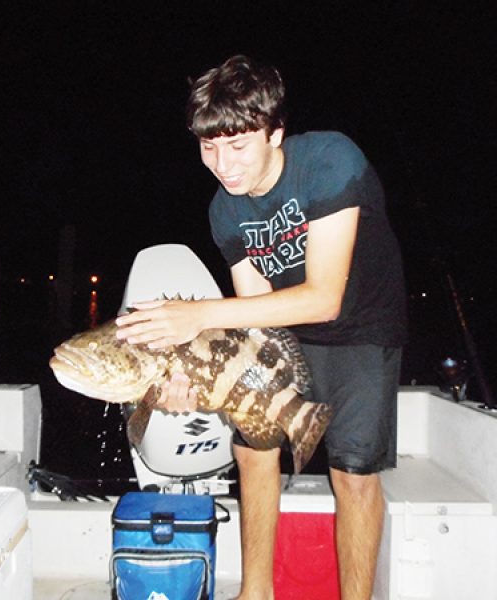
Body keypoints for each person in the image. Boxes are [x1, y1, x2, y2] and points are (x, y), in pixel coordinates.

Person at [116, 55, 407, 600]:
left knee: (352, 472)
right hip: (287, 329)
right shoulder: (224, 209)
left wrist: (199, 313)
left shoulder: (329, 161)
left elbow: (323, 298)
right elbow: (256, 311)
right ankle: (256, 593)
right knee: (253, 447)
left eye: (237, 145)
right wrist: (185, 388)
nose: (222, 164)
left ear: (275, 132)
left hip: (362, 327)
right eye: (208, 147)